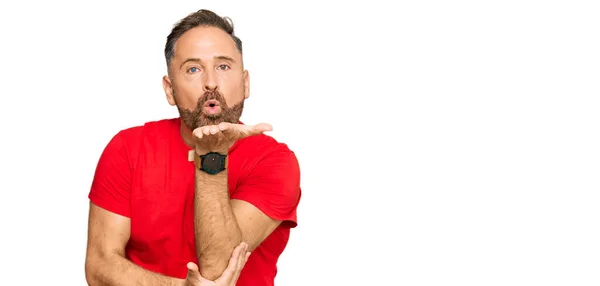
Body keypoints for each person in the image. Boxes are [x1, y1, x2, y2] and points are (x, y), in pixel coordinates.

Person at [84, 9, 302, 286]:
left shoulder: (275, 162)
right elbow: (99, 266)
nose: (210, 82)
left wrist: (212, 155)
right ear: (169, 89)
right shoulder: (127, 149)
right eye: (193, 69)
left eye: (223, 66)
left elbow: (217, 267)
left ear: (245, 83)